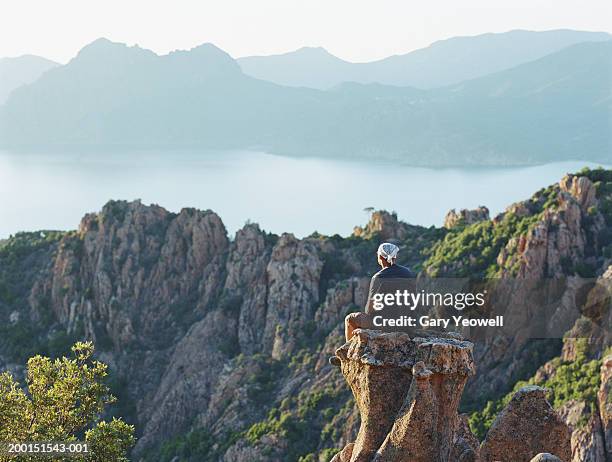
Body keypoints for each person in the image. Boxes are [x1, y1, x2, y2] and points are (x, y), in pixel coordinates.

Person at [329, 242, 415, 367]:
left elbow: (370, 308)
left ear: (380, 258)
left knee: (350, 319)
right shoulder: (409, 273)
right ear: (395, 256)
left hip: (386, 325)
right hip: (407, 324)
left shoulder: (379, 277)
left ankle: (348, 355)